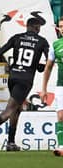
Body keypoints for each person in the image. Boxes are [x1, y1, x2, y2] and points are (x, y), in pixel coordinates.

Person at [0, 18, 49, 151]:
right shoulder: (42, 41)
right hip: (25, 80)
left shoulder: (17, 38)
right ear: (37, 27)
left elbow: (0, 51)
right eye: (39, 27)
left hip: (13, 76)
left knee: (17, 109)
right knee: (10, 109)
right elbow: (48, 60)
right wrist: (41, 66)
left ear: (27, 26)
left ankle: (11, 143)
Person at [41, 17, 63, 156]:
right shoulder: (55, 45)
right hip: (61, 86)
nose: (62, 28)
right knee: (61, 116)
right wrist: (44, 88)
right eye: (61, 26)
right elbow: (48, 67)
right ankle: (62, 146)